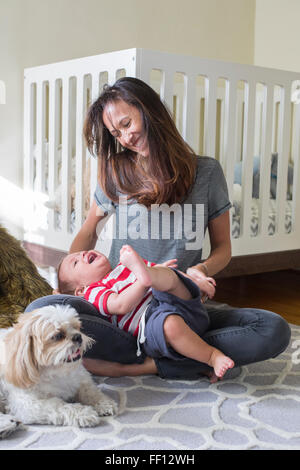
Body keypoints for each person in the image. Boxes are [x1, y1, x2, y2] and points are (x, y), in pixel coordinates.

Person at [28, 76, 290, 383]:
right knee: (42, 307)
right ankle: (185, 355)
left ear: (150, 111)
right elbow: (89, 228)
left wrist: (200, 270)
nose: (124, 138)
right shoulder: (116, 173)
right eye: (116, 133)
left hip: (179, 305)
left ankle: (156, 357)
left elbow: (223, 249)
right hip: (122, 314)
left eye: (126, 124)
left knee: (273, 329)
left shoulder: (206, 173)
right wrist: (67, 277)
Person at [58, 244, 234, 380]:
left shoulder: (125, 265)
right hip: (151, 322)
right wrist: (144, 281)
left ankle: (190, 284)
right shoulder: (94, 291)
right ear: (80, 290)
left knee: (168, 274)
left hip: (181, 305)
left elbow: (167, 276)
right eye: (75, 262)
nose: (82, 254)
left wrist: (195, 283)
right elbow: (120, 305)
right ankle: (211, 356)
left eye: (82, 252)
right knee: (170, 324)